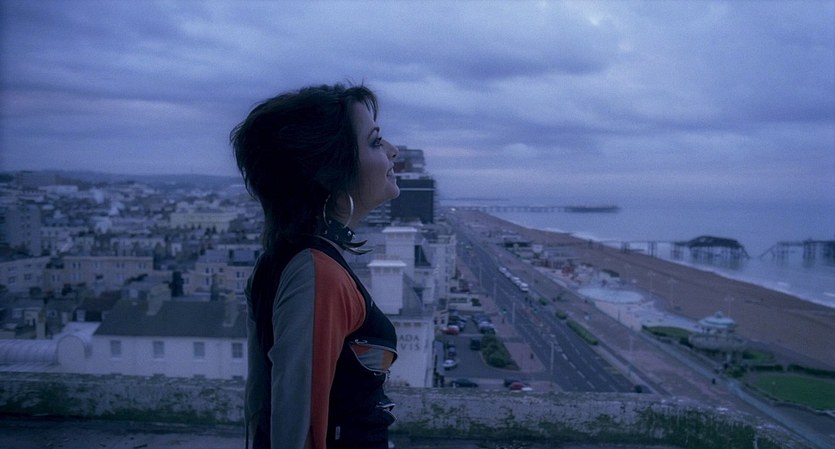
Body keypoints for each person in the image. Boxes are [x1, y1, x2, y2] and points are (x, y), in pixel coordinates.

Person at [230, 83, 400, 449]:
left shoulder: (285, 258)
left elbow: (260, 403)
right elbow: (298, 425)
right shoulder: (318, 272)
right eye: (374, 142)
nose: (392, 150)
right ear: (331, 172)